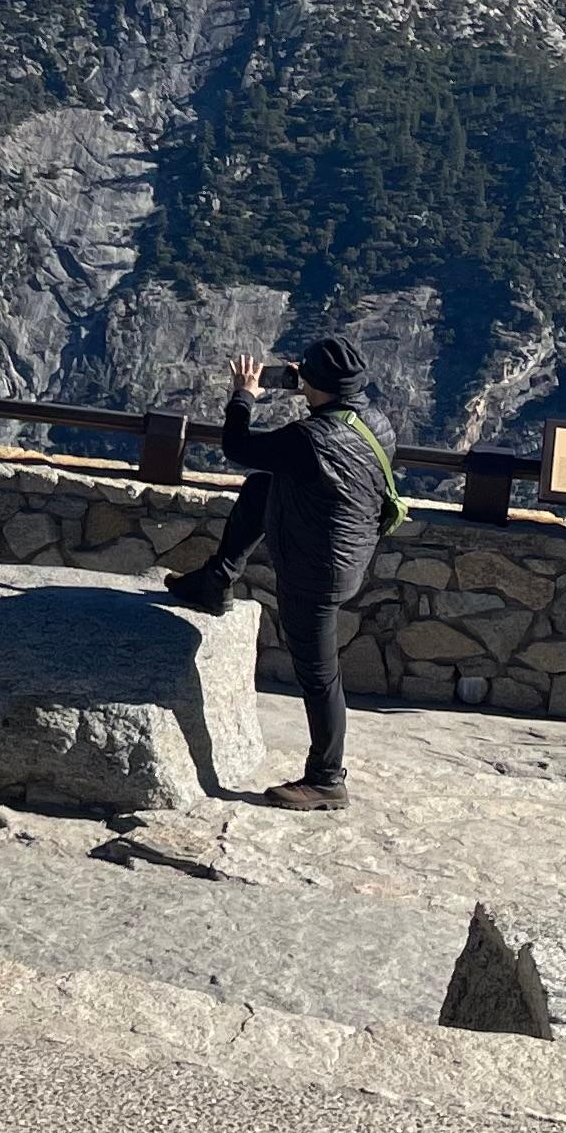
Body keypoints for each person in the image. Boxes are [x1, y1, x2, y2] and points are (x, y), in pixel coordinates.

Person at [162, 334, 397, 811]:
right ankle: (217, 580)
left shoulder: (310, 439)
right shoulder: (376, 424)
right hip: (348, 552)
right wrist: (308, 384)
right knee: (261, 489)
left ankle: (326, 780)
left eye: (305, 375)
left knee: (320, 676)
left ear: (317, 383)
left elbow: (237, 446)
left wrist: (244, 395)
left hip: (318, 571)